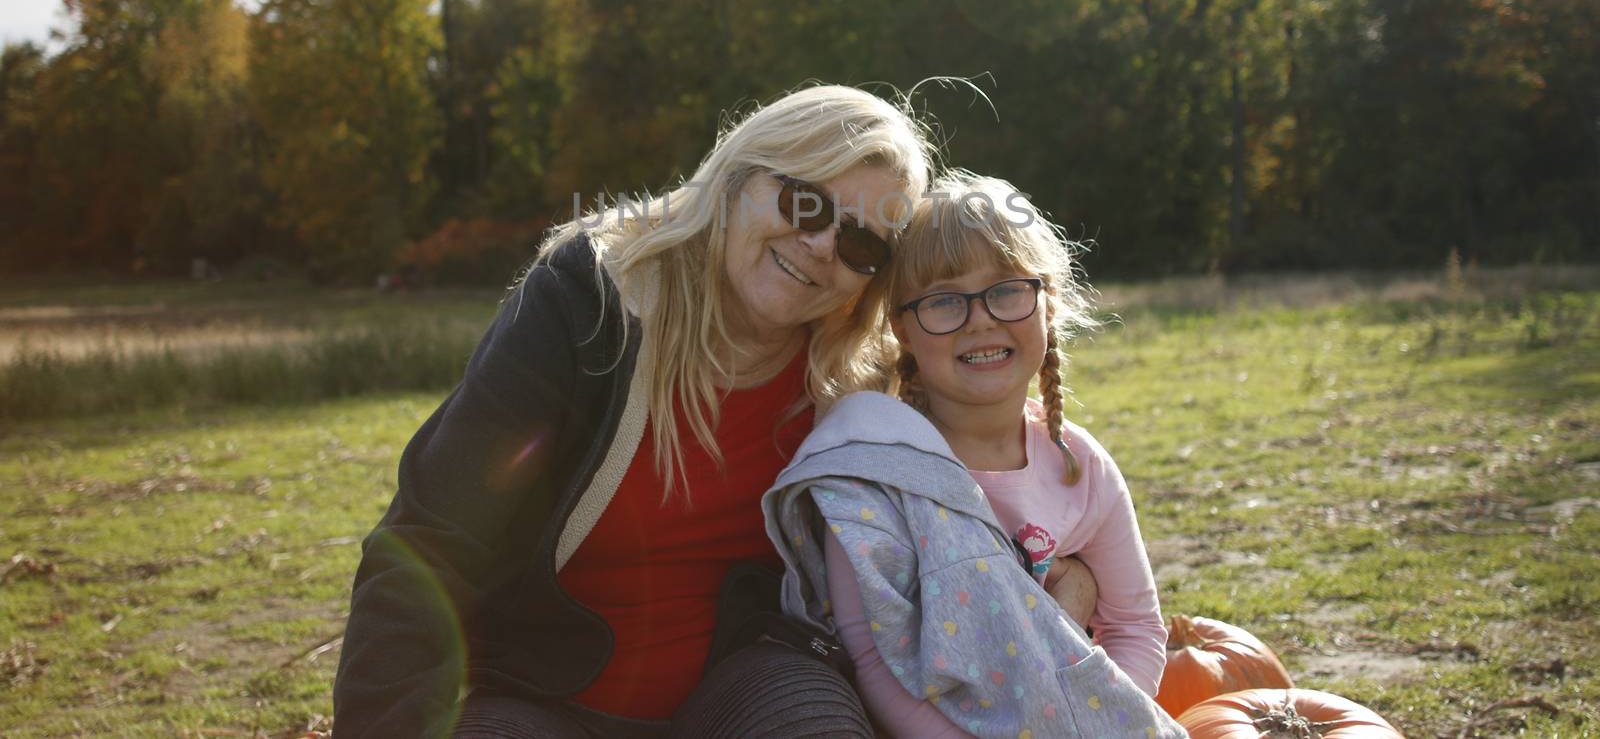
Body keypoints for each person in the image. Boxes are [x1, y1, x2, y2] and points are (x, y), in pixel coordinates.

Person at [331, 85, 933, 739]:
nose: (821, 244)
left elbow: (995, 452)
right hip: (541, 694)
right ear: (738, 178)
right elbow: (432, 540)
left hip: (748, 680)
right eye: (805, 201)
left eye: (861, 244)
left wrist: (1065, 551)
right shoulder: (590, 300)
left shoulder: (857, 382)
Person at [762, 173, 1178, 738]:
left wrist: (1110, 721)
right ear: (903, 327)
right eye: (944, 301)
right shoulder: (877, 468)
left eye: (1007, 290)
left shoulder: (1081, 467)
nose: (980, 318)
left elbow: (1135, 627)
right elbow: (873, 656)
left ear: (1047, 302)